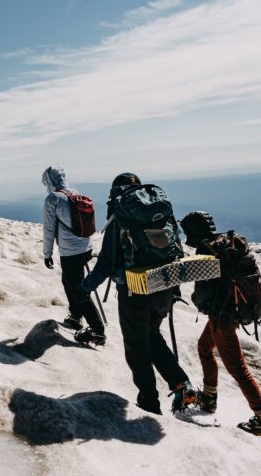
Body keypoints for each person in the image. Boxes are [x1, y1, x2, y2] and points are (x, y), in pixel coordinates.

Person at [82, 173, 196, 415]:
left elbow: (106, 262)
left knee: (136, 347)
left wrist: (85, 288)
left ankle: (149, 402)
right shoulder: (159, 210)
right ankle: (180, 383)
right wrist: (175, 287)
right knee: (151, 335)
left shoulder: (122, 216)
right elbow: (175, 248)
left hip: (135, 291)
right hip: (164, 286)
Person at [180, 211, 261, 441]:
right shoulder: (227, 243)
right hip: (231, 310)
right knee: (204, 347)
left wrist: (197, 301)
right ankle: (209, 397)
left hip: (222, 316)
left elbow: (203, 291)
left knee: (238, 368)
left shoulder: (207, 250)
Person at [41, 166, 106, 346]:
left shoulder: (53, 199)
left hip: (70, 251)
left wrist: (47, 253)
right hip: (86, 247)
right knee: (68, 281)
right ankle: (76, 316)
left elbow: (48, 229)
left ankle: (98, 331)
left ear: (48, 180)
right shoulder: (74, 193)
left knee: (78, 289)